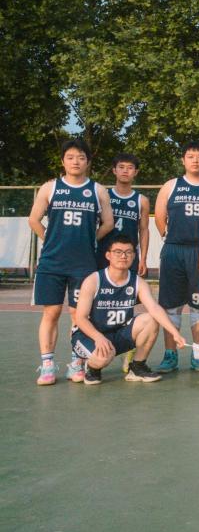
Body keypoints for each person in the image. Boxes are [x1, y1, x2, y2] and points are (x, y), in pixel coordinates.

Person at [28, 139, 114, 385]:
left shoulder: (98, 190)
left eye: (81, 157)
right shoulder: (50, 188)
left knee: (79, 314)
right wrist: (50, 239)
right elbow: (34, 219)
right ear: (63, 161)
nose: (76, 161)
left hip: (83, 263)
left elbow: (108, 223)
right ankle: (47, 365)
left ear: (88, 162)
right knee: (52, 312)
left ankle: (76, 363)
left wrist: (91, 240)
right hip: (52, 262)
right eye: (70, 157)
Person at [71, 234, 187, 385]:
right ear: (108, 255)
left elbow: (154, 308)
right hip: (89, 335)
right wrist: (98, 337)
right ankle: (92, 368)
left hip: (118, 334)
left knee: (151, 319)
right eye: (118, 252)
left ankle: (138, 366)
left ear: (133, 256)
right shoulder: (93, 280)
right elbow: (80, 318)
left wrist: (175, 333)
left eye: (128, 252)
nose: (123, 256)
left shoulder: (138, 282)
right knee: (104, 357)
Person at [153, 141, 199, 373]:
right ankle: (170, 354)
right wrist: (168, 236)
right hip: (174, 250)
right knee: (171, 306)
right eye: (190, 156)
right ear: (183, 160)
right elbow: (159, 215)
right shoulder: (171, 185)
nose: (195, 160)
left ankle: (198, 354)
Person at [95, 153, 149, 276]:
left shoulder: (142, 200)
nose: (125, 171)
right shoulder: (103, 195)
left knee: (129, 287)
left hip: (128, 255)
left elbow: (144, 230)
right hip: (104, 253)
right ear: (114, 170)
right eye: (121, 167)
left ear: (136, 172)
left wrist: (143, 259)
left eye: (130, 168)